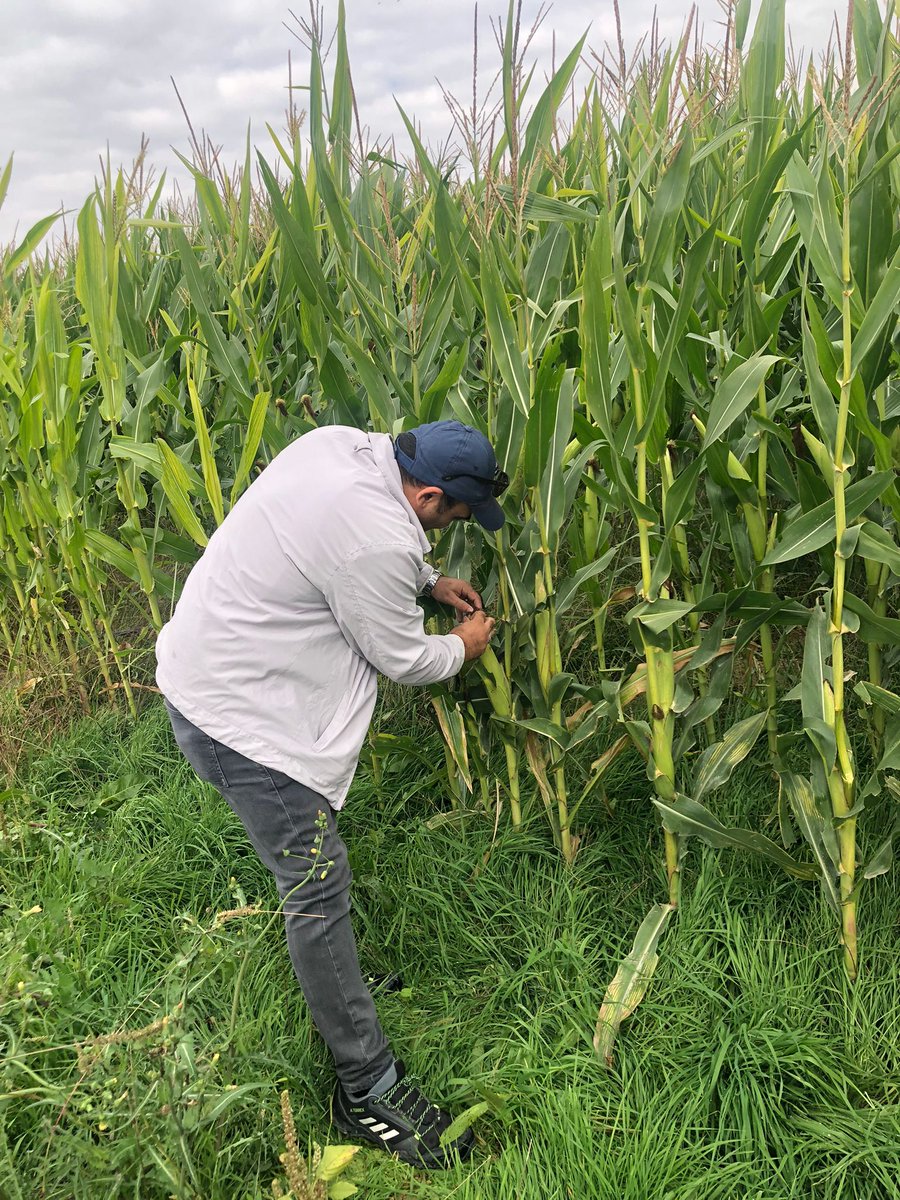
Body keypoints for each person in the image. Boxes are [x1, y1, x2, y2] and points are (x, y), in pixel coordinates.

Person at [155, 420, 507, 1169]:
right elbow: (405, 658)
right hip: (238, 719)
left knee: (315, 878)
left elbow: (343, 542)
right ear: (430, 493)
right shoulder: (376, 539)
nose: (456, 527)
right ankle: (367, 1087)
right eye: (455, 515)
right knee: (316, 882)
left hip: (212, 670)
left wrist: (425, 578)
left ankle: (338, 980)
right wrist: (464, 646)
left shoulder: (343, 444)